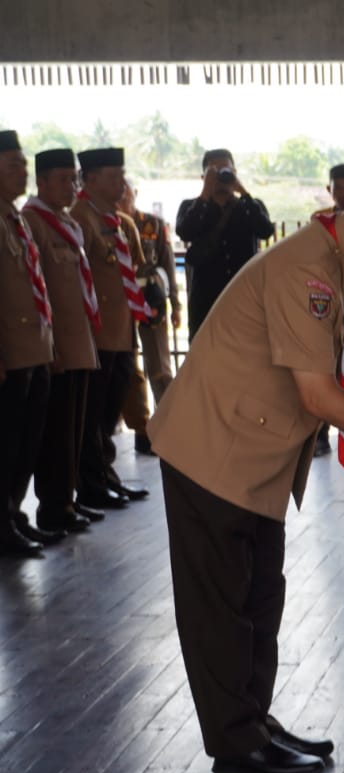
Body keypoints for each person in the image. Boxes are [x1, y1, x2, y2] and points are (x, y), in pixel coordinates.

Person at [147, 154, 344, 773]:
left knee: (260, 596)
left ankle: (252, 724)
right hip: (213, 449)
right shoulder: (310, 270)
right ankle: (236, 751)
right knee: (220, 606)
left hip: (254, 455)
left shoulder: (343, 268)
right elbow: (320, 397)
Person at [22, 148, 101, 536]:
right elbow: (36, 288)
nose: (71, 187)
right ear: (42, 182)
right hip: (57, 346)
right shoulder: (33, 222)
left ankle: (67, 498)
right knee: (55, 432)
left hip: (79, 340)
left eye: (74, 179)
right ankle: (54, 505)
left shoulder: (67, 222)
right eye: (63, 179)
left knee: (74, 429)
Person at [69, 146, 150, 510]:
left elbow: (132, 273)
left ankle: (106, 476)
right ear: (91, 179)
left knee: (109, 413)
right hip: (97, 335)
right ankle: (91, 483)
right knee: (92, 417)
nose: (122, 183)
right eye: (114, 176)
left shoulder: (118, 221)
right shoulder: (80, 219)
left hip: (122, 333)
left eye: (122, 175)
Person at [0, 131, 57, 557]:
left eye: (23, 164)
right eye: (13, 164)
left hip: (34, 349)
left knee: (27, 442)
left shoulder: (14, 218)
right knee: (7, 443)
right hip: (11, 353)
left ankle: (13, 512)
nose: (22, 171)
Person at [176, 149, 274, 339]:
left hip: (245, 297)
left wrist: (243, 191)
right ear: (204, 177)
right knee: (205, 350)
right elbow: (185, 231)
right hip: (206, 300)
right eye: (215, 171)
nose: (222, 176)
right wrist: (205, 193)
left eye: (226, 170)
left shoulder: (249, 206)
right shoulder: (191, 206)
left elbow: (265, 230)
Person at [119, 179, 179, 455]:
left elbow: (167, 263)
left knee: (160, 366)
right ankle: (142, 429)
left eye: (126, 191)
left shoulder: (152, 224)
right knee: (130, 368)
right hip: (120, 304)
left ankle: (169, 426)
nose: (122, 196)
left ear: (135, 193)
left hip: (150, 300)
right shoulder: (109, 225)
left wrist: (175, 303)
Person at [312, 163, 344, 457]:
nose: (343, 193)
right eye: (338, 187)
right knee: (325, 366)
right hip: (329, 302)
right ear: (329, 190)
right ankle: (319, 434)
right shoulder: (320, 221)